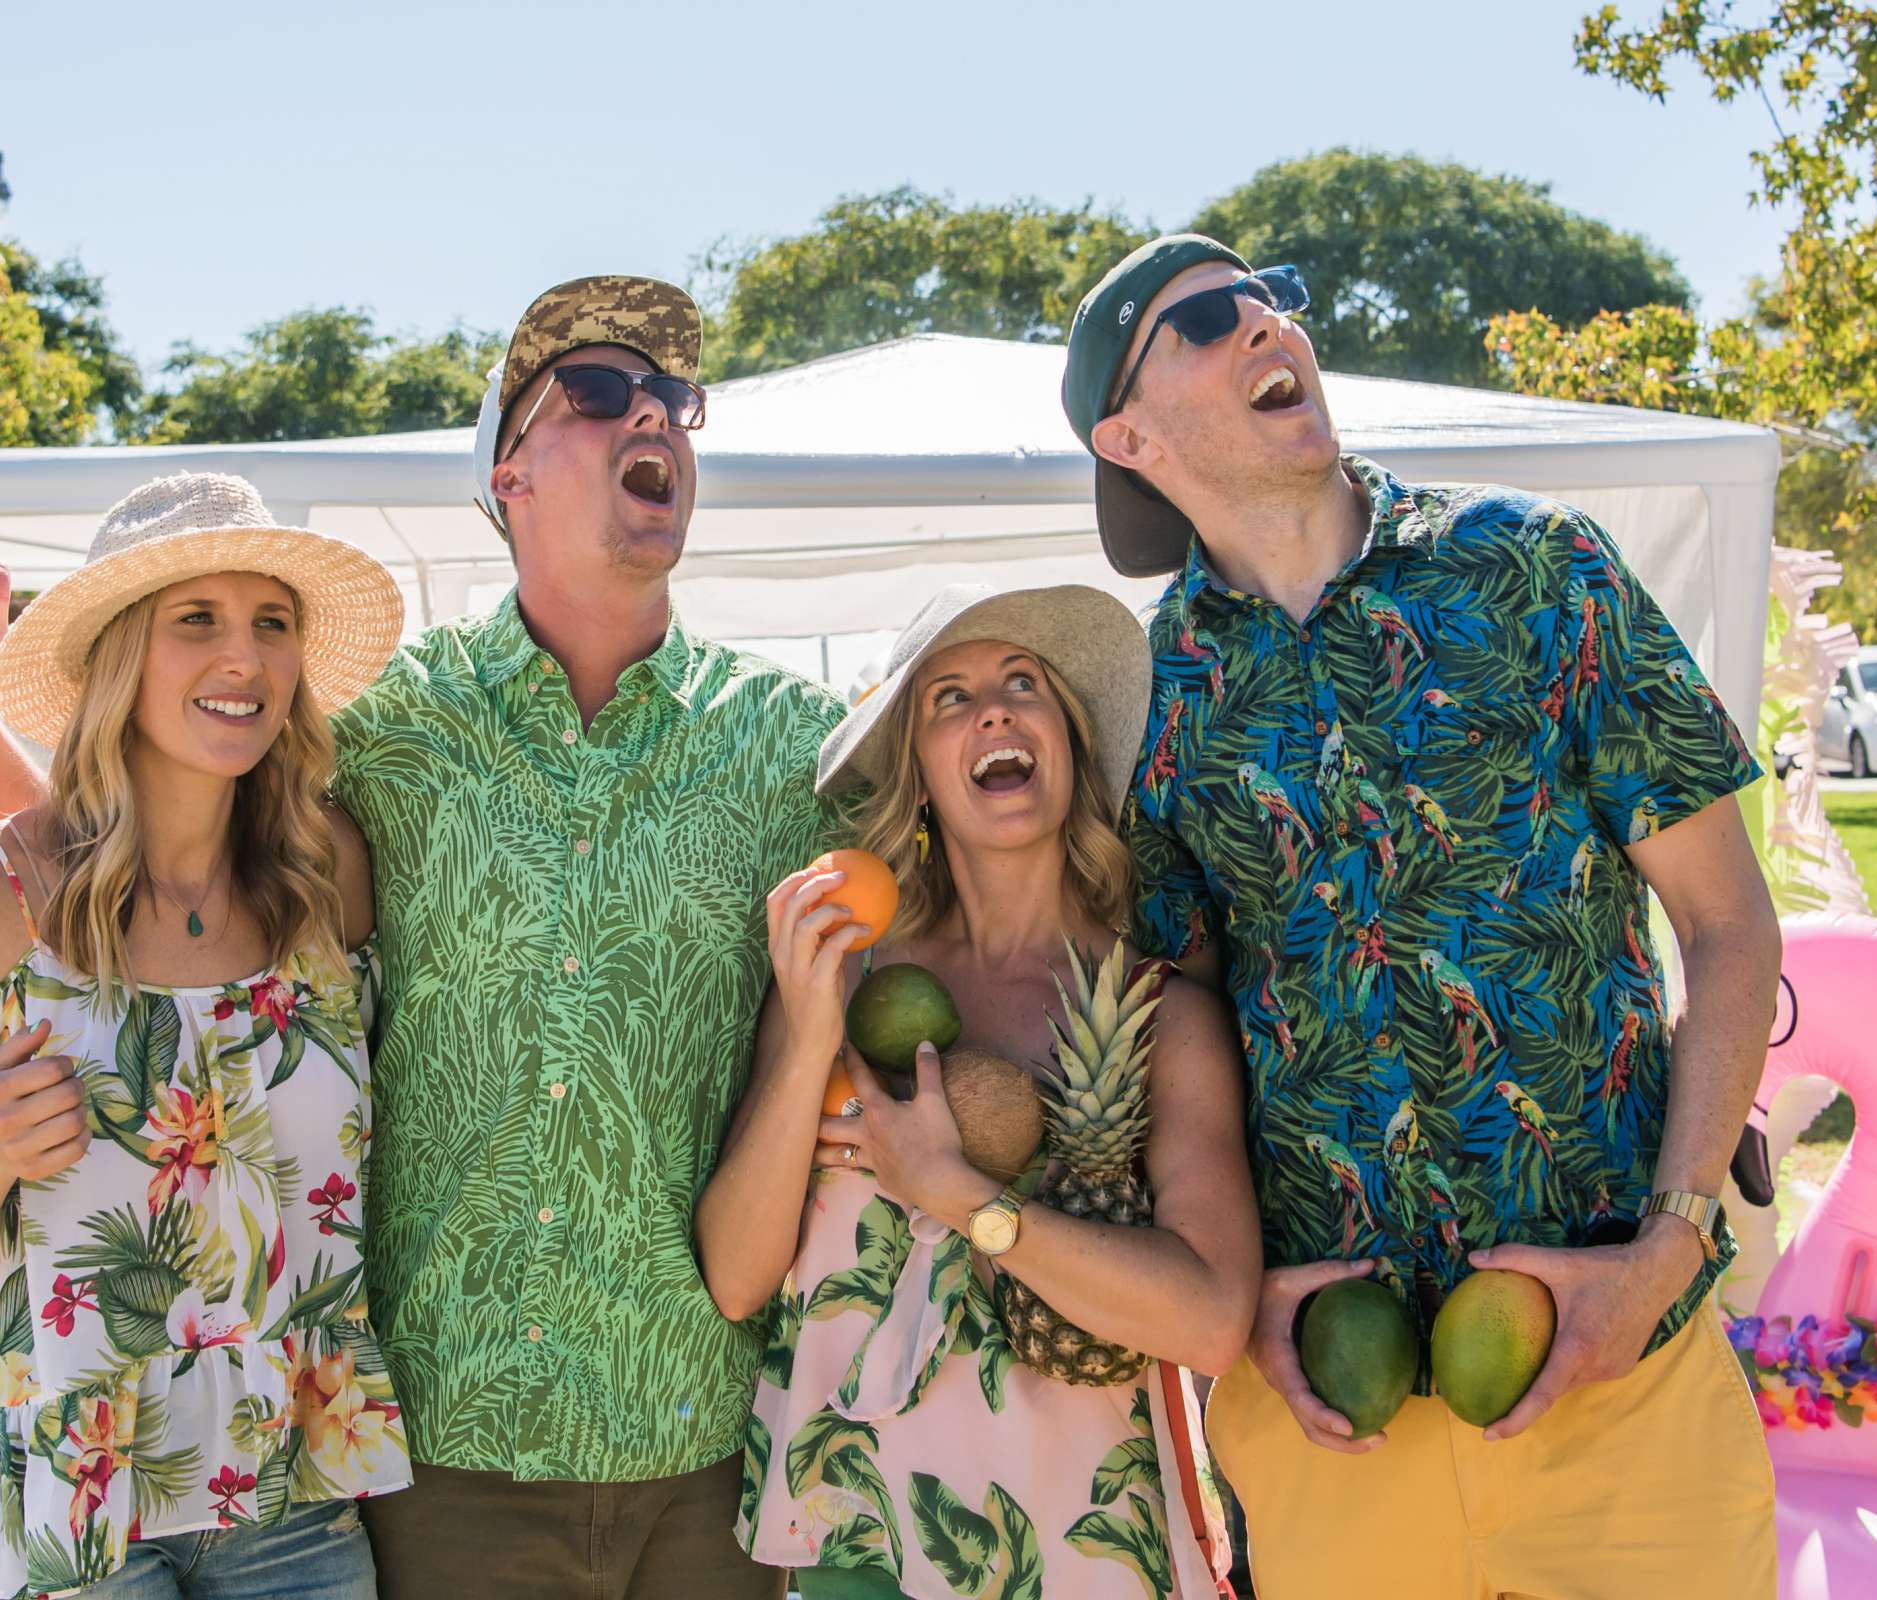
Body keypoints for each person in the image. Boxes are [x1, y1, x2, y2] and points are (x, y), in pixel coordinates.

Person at [0, 278, 844, 1600]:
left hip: (694, 1433)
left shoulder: (792, 746)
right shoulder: (394, 732)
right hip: (428, 1460)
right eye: (602, 392)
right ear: (511, 475)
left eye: (676, 398)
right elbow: (132, 875)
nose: (652, 412)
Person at [1060, 235, 1784, 1599]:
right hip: (1336, 1402)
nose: (1272, 322)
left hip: (1626, 1376)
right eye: (1213, 316)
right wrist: (1232, 1285)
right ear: (1130, 434)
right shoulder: (1156, 702)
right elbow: (1181, 1012)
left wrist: (1672, 1241)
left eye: (1279, 298)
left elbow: (1731, 925)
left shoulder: (1539, 571)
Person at [0, 473, 411, 1598]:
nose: (246, 657)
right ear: (118, 658)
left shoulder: (327, 879)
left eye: (271, 622)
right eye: (197, 619)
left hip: (285, 1494)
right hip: (54, 1510)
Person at [705, 584, 1258, 1599]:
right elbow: (739, 1277)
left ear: (1073, 745)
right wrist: (811, 1040)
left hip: (1090, 1540)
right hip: (859, 1536)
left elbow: (1213, 1318)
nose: (993, 711)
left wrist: (961, 1195)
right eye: (949, 699)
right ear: (918, 774)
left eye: (1023, 685)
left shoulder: (1158, 1015)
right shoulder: (844, 986)